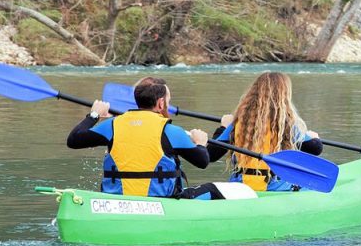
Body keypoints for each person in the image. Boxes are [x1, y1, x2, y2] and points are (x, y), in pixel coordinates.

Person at [180, 72, 325, 200]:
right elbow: (315, 148)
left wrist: (223, 127)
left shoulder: (238, 123)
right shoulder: (284, 124)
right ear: (283, 96)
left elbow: (211, 154)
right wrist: (314, 137)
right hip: (273, 187)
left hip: (240, 187)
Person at [67, 76, 210, 198]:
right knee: (213, 190)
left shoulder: (112, 125)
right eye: (168, 100)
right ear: (161, 103)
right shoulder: (172, 131)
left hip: (116, 201)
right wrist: (200, 143)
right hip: (160, 202)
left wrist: (94, 115)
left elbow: (73, 140)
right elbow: (203, 162)